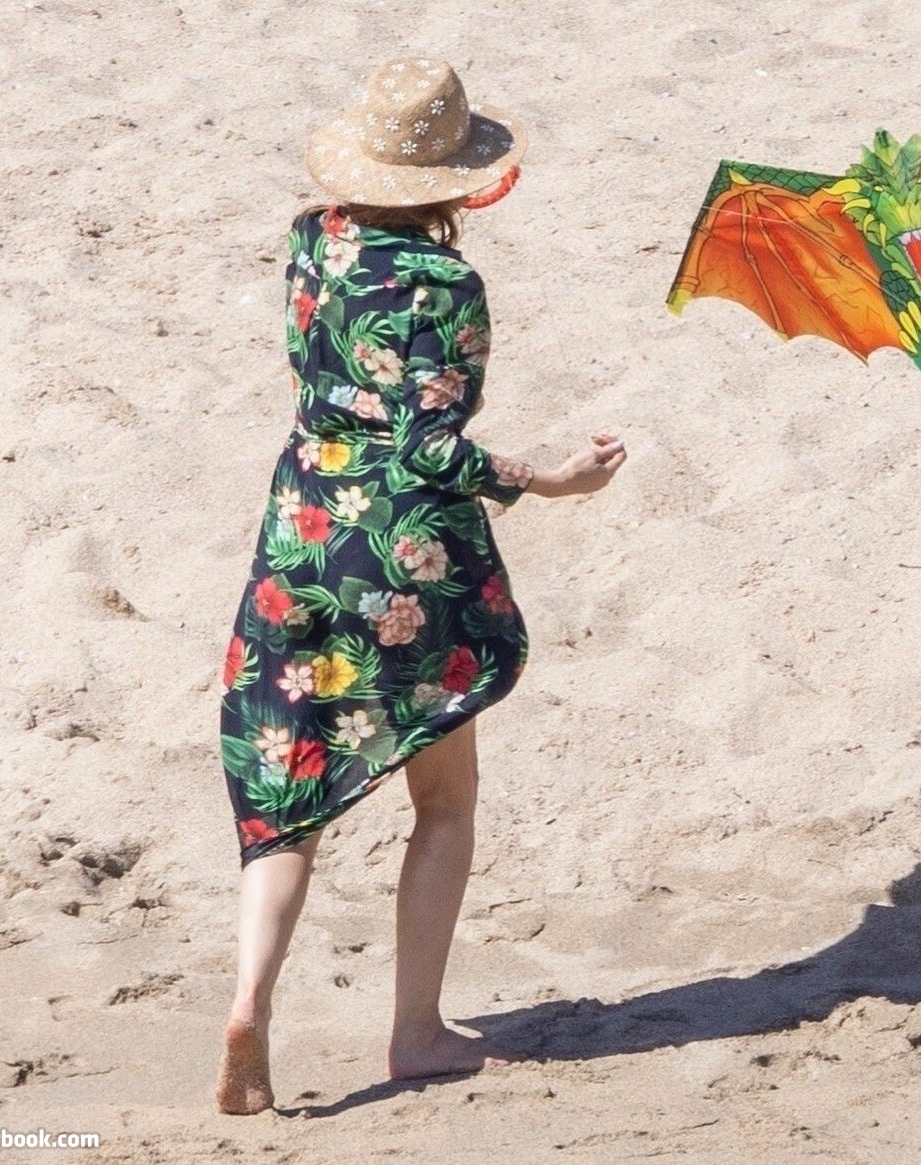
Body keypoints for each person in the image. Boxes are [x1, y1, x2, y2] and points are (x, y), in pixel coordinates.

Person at [214, 57, 626, 1115]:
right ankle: (416, 1030)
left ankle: (250, 1000)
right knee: (443, 802)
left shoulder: (314, 238)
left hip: (303, 532)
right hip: (402, 554)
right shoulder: (446, 287)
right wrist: (551, 480)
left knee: (288, 795)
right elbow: (430, 447)